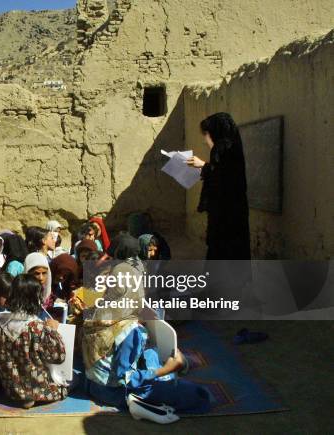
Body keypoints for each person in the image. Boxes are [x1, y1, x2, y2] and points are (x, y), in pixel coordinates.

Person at [82, 233, 210, 422]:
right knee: (199, 396)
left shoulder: (95, 311)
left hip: (91, 384)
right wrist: (166, 369)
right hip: (113, 391)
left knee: (150, 350)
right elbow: (127, 379)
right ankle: (140, 401)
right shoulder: (130, 329)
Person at [0, 275, 67, 408]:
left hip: (10, 389)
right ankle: (31, 396)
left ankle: (24, 396)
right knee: (73, 382)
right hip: (39, 389)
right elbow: (58, 357)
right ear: (35, 298)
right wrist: (53, 331)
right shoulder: (38, 328)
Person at [186, 112, 251, 260]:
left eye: (207, 133)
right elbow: (224, 174)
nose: (205, 139)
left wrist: (202, 165)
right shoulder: (233, 147)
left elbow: (223, 178)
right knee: (234, 250)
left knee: (221, 250)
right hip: (235, 211)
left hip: (224, 213)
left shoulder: (221, 149)